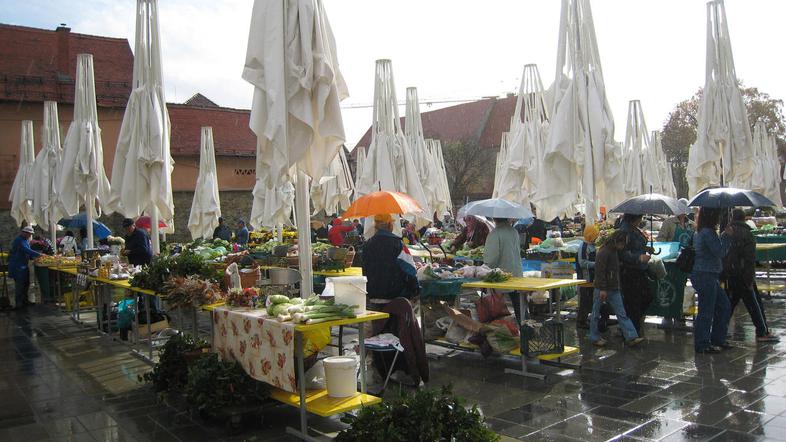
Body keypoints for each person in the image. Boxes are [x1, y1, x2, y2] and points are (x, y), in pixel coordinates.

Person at [723, 209, 778, 343]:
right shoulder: (747, 234)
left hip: (731, 274)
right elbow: (749, 259)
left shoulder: (726, 233)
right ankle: (762, 331)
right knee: (753, 304)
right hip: (743, 275)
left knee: (729, 304)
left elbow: (724, 255)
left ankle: (720, 330)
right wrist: (749, 277)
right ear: (744, 219)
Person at [590, 230, 644, 347]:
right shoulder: (604, 252)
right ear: (617, 241)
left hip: (613, 288)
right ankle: (594, 337)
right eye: (622, 243)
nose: (623, 246)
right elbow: (600, 272)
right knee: (595, 313)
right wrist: (603, 288)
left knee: (621, 313)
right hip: (602, 288)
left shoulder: (613, 251)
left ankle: (631, 336)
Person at [691, 207, 733, 354]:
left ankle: (717, 339)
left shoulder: (702, 231)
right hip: (705, 274)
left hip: (707, 274)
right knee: (707, 310)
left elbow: (715, 248)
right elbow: (720, 252)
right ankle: (703, 343)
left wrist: (722, 235)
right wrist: (727, 236)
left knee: (723, 306)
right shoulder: (708, 233)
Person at [362, 214, 419, 301]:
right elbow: (411, 271)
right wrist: (416, 289)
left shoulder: (367, 245)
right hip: (396, 296)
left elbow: (364, 269)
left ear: (376, 226)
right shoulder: (399, 244)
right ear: (390, 225)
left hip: (372, 294)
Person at [618, 213, 654, 335]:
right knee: (633, 302)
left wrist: (647, 249)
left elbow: (637, 245)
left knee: (646, 297)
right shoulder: (625, 231)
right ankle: (631, 332)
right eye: (640, 217)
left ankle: (631, 327)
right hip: (630, 271)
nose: (641, 220)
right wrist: (638, 258)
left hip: (640, 270)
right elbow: (623, 253)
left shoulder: (634, 229)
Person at [483, 218, 524, 322]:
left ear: (495, 219)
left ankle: (499, 328)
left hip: (501, 275)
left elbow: (491, 259)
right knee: (520, 306)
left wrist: (483, 268)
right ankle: (526, 331)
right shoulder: (514, 231)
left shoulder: (495, 234)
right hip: (516, 273)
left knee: (497, 308)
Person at [576, 224, 611, 330]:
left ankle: (589, 319)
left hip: (593, 279)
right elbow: (582, 263)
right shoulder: (584, 247)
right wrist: (596, 264)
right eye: (595, 235)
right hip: (585, 279)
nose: (596, 237)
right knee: (585, 301)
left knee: (592, 300)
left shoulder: (591, 245)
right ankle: (581, 321)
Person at [8, 226, 42, 308]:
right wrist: (39, 254)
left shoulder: (25, 240)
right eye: (29, 234)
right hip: (17, 266)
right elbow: (26, 250)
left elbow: (28, 252)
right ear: (24, 233)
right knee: (20, 285)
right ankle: (18, 303)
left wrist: (33, 258)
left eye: (30, 234)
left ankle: (25, 300)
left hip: (23, 265)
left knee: (26, 283)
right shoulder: (19, 240)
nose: (30, 235)